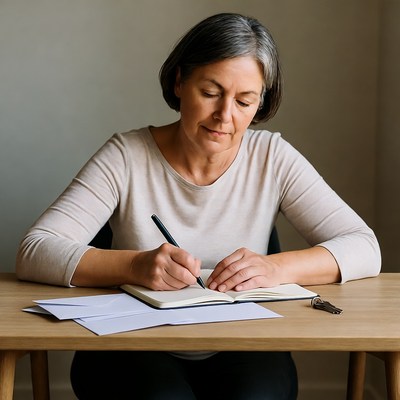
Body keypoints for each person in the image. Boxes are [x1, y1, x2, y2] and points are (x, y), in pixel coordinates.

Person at [16, 12, 381, 400]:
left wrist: (276, 267)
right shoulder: (126, 156)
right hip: (135, 340)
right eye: (210, 93)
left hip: (241, 342)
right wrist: (135, 265)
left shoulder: (272, 156)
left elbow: (364, 246)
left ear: (261, 103)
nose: (225, 116)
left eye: (244, 101)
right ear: (179, 81)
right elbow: (35, 250)